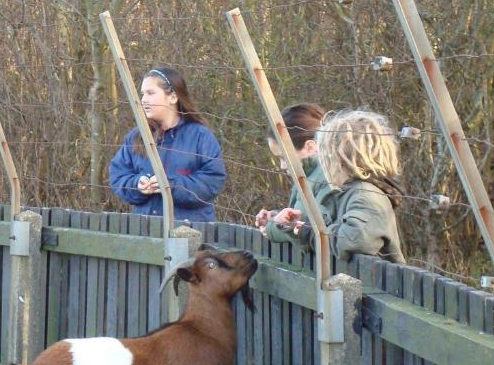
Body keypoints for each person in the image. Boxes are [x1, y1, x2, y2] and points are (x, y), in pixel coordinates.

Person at [268, 108, 406, 264]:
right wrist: (297, 225)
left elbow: (351, 241)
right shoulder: (348, 190)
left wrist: (303, 228)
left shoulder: (366, 195)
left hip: (375, 287)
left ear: (344, 158)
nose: (323, 161)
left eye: (327, 154)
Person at [109, 66, 226, 223]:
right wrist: (137, 184)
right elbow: (118, 175)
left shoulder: (200, 136)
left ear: (173, 97)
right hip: (145, 232)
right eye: (143, 94)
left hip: (191, 233)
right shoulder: (137, 136)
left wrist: (171, 185)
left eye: (151, 93)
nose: (144, 100)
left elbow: (213, 181)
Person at [253, 102, 329, 241]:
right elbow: (300, 221)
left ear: (310, 147)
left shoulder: (327, 179)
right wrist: (276, 217)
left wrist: (274, 227)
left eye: (284, 158)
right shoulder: (307, 174)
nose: (282, 166)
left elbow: (307, 230)